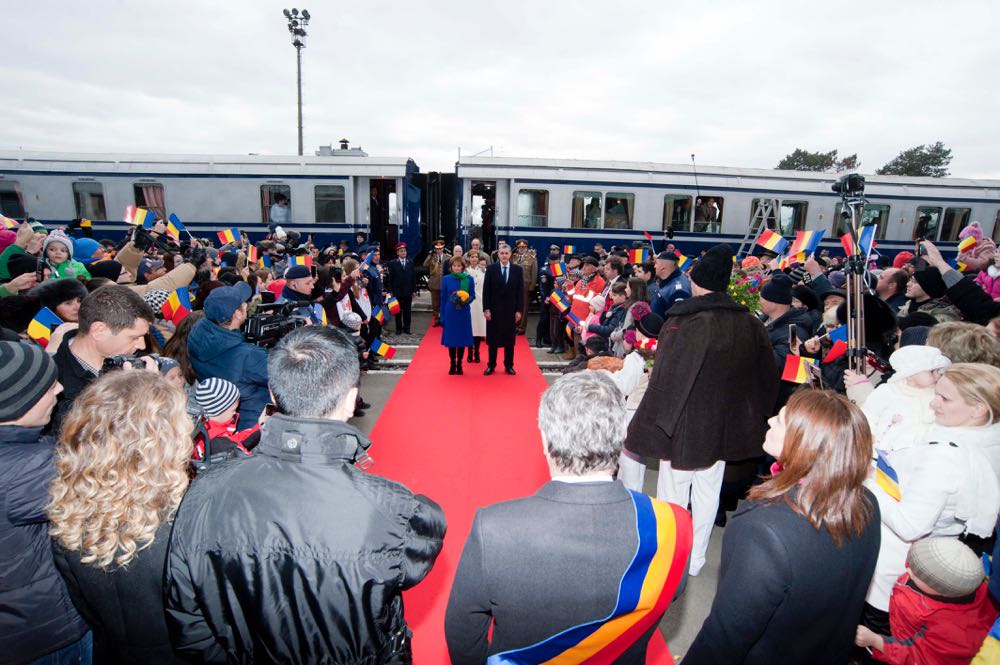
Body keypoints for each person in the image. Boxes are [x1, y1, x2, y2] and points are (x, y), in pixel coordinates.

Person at [166, 327, 446, 663]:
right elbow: (419, 554)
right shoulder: (393, 509)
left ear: (272, 391)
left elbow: (188, 622)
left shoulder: (201, 494)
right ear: (349, 398)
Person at [445, 371, 693, 664]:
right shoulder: (673, 526)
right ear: (622, 434)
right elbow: (669, 595)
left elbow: (462, 630)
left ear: (545, 439)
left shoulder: (496, 529)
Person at [683, 390, 881, 664]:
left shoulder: (765, 530)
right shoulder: (865, 504)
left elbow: (726, 635)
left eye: (782, 419)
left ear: (805, 443)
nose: (771, 421)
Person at [624, 244, 778, 576]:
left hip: (683, 426)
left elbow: (668, 380)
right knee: (709, 493)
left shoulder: (688, 322)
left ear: (697, 282)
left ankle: (669, 557)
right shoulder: (750, 324)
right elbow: (766, 378)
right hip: (725, 429)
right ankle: (695, 560)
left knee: (673, 494)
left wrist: (649, 425)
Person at [49, 371, 191, 664]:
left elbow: (83, 606)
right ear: (163, 440)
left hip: (112, 652)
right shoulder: (185, 523)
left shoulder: (67, 517)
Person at [863, 362, 1000, 632]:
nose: (933, 404)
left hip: (895, 571)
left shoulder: (948, 456)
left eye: (945, 399)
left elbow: (910, 525)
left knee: (883, 637)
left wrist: (868, 481)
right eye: (936, 393)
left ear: (978, 408)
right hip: (933, 560)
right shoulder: (986, 438)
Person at [0, 341, 91, 664]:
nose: (60, 389)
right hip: (44, 631)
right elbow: (113, 482)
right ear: (17, 401)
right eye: (49, 385)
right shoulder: (27, 469)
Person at [855, 537, 998, 664]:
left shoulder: (952, 632)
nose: (908, 570)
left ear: (941, 590)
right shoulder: (957, 586)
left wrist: (877, 641)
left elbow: (920, 658)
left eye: (917, 574)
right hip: (902, 633)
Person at [51, 285, 155, 430]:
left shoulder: (136, 361)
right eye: (135, 337)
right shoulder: (52, 384)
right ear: (99, 330)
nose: (143, 345)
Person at [187, 281, 270, 428]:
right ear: (237, 314)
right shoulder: (248, 356)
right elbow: (287, 373)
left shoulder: (196, 337)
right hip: (254, 424)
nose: (246, 305)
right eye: (244, 304)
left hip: (226, 418)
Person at [858, 345, 951, 452]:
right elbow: (868, 413)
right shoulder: (888, 391)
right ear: (910, 374)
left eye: (938, 371)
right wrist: (869, 435)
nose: (937, 375)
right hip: (885, 449)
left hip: (922, 452)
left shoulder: (937, 394)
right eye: (931, 371)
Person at [482, 244, 524, 375]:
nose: (504, 255)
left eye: (506, 253)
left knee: (509, 340)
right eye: (502, 253)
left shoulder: (517, 270)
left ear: (510, 254)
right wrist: (486, 309)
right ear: (498, 254)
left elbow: (520, 292)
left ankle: (509, 365)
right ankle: (491, 365)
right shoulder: (491, 269)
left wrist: (519, 310)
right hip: (494, 310)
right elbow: (486, 291)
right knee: (493, 340)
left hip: (510, 311)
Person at [441, 255, 476, 375]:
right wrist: (442, 315)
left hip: (463, 312)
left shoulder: (469, 279)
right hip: (450, 312)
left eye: (459, 266)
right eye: (454, 266)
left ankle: (460, 364)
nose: (456, 268)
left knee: (461, 339)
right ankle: (452, 364)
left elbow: (473, 295)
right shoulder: (446, 279)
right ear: (451, 267)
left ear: (462, 267)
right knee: (451, 339)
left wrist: (466, 299)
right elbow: (443, 298)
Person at [385, 242, 415, 335]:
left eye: (404, 251)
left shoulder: (410, 262)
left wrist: (414, 290)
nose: (403, 253)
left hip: (408, 291)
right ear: (397, 253)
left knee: (407, 311)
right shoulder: (393, 263)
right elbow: (390, 278)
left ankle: (407, 328)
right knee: (397, 311)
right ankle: (398, 328)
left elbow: (413, 277)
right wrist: (390, 290)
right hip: (397, 291)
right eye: (401, 251)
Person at [649, 250, 690, 317]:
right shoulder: (666, 281)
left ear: (663, 268)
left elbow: (677, 321)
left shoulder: (679, 291)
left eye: (656, 263)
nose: (654, 266)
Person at [512, 239, 537, 335]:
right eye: (519, 247)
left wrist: (532, 287)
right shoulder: (513, 257)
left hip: (525, 287)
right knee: (514, 307)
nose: (521, 249)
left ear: (526, 248)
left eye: (523, 247)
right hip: (513, 287)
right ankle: (514, 325)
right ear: (517, 248)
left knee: (524, 307)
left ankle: (521, 328)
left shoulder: (532, 258)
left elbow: (534, 273)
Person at [466, 250, 487, 363]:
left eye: (476, 257)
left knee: (478, 329)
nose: (474, 259)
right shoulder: (465, 271)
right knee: (470, 329)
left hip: (479, 303)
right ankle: (469, 352)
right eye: (472, 257)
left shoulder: (484, 271)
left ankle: (477, 352)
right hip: (468, 303)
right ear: (469, 258)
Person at [424, 238, 449, 327]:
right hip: (434, 284)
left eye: (440, 248)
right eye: (437, 248)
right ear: (435, 249)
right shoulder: (432, 257)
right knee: (435, 303)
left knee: (445, 302)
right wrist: (430, 255)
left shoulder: (448, 257)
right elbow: (425, 264)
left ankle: (443, 318)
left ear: (443, 248)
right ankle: (437, 318)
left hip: (445, 284)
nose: (439, 250)